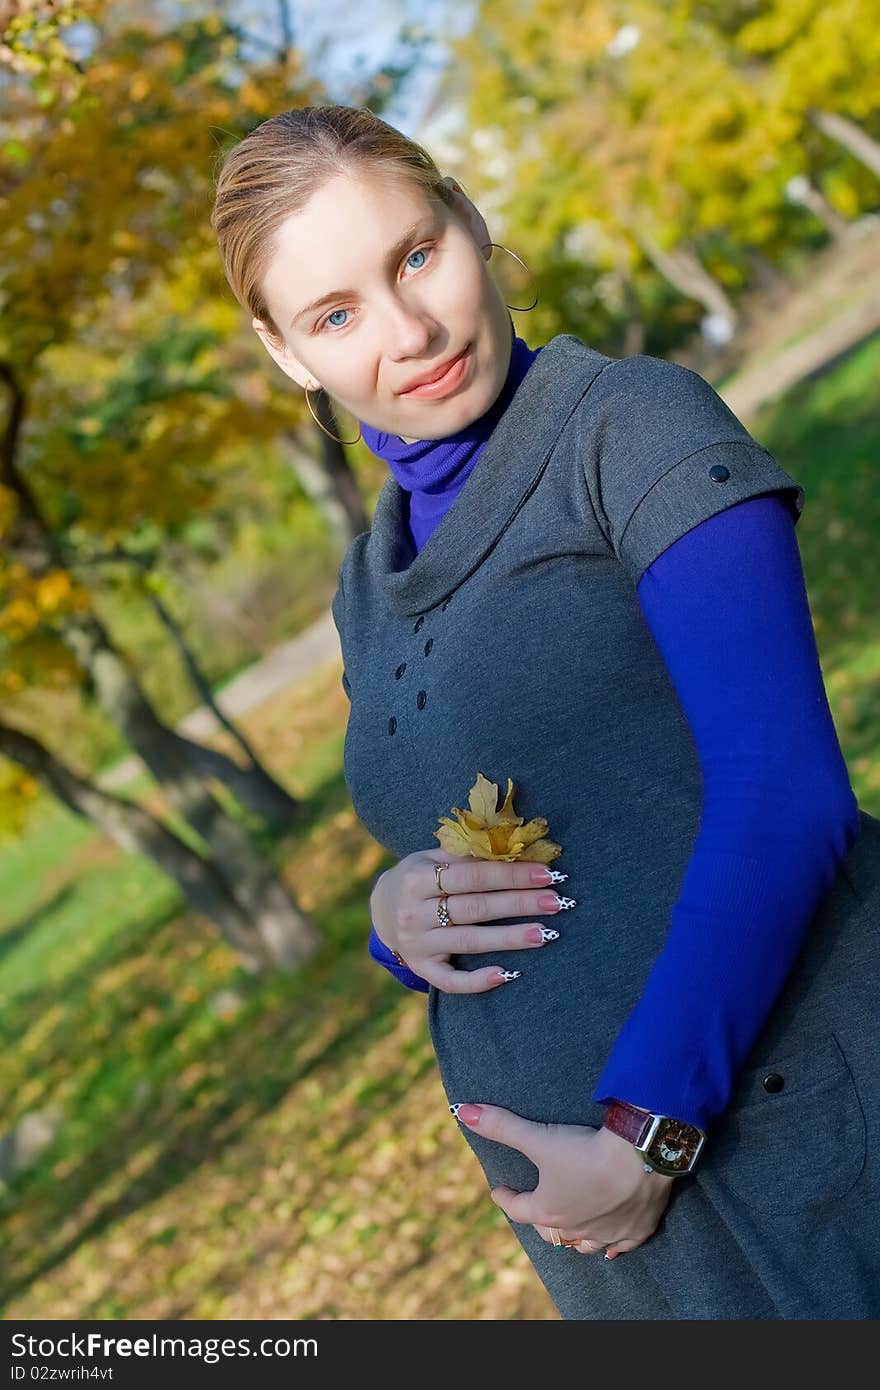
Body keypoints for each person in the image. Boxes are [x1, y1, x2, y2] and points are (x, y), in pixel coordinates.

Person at [210, 104, 880, 1320]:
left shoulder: (630, 428)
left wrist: (647, 1135)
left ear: (468, 220)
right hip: (618, 1251)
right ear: (286, 353)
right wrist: (391, 915)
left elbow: (786, 797)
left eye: (416, 253)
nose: (409, 331)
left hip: (801, 1149)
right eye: (336, 312)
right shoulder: (366, 586)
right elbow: (486, 820)